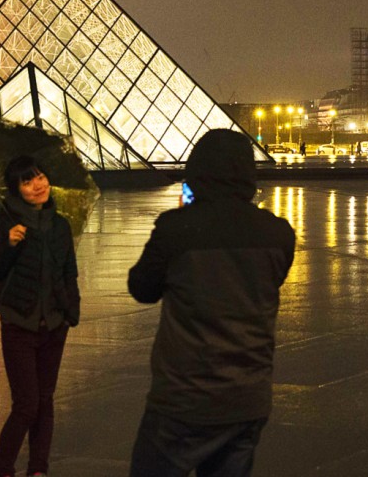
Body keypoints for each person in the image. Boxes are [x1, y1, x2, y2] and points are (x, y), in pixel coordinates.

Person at [127, 129, 296, 476]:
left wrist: (182, 219)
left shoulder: (176, 228)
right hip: (247, 397)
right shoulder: (278, 233)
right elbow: (267, 282)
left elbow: (142, 287)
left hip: (183, 397)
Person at [0, 155, 80, 477]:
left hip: (54, 323)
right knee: (26, 405)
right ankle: (2, 469)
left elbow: (69, 272)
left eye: (40, 177)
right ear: (16, 189)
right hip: (19, 323)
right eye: (27, 181)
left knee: (45, 401)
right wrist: (9, 244)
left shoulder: (60, 224)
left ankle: (38, 469)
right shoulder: (3, 221)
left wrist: (70, 313)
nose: (38, 186)